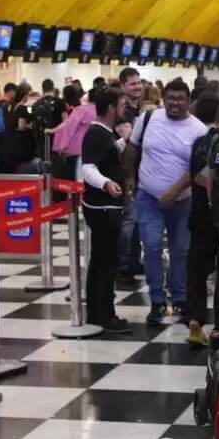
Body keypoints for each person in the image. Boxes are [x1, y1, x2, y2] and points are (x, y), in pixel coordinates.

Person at [125, 78, 207, 325]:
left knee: (180, 250)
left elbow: (197, 168)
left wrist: (174, 191)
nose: (175, 103)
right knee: (150, 247)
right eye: (170, 98)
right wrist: (130, 176)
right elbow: (132, 147)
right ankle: (157, 301)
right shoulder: (148, 119)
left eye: (180, 99)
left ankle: (180, 298)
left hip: (182, 200)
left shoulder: (198, 130)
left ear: (188, 101)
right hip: (147, 197)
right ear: (164, 98)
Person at [185, 99, 219, 345]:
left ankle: (194, 319)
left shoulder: (199, 143)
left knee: (196, 269)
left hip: (199, 214)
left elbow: (194, 176)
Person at [79, 88, 132, 334]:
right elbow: (88, 168)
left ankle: (97, 313)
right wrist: (107, 184)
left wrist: (123, 141)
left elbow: (105, 157)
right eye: (121, 103)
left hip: (105, 206)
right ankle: (104, 315)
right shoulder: (96, 134)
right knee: (106, 261)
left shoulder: (103, 135)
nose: (124, 108)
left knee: (101, 260)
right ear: (111, 107)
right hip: (102, 207)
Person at [117, 67, 146, 287]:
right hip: (125, 171)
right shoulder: (122, 111)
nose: (137, 87)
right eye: (132, 83)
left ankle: (134, 260)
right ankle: (123, 265)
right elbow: (129, 139)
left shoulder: (141, 110)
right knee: (128, 220)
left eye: (139, 83)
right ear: (123, 86)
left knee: (137, 220)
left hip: (140, 169)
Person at [0, 83, 38, 174]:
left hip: (8, 143)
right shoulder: (23, 107)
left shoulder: (12, 106)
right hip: (20, 145)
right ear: (25, 95)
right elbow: (21, 126)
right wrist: (30, 126)